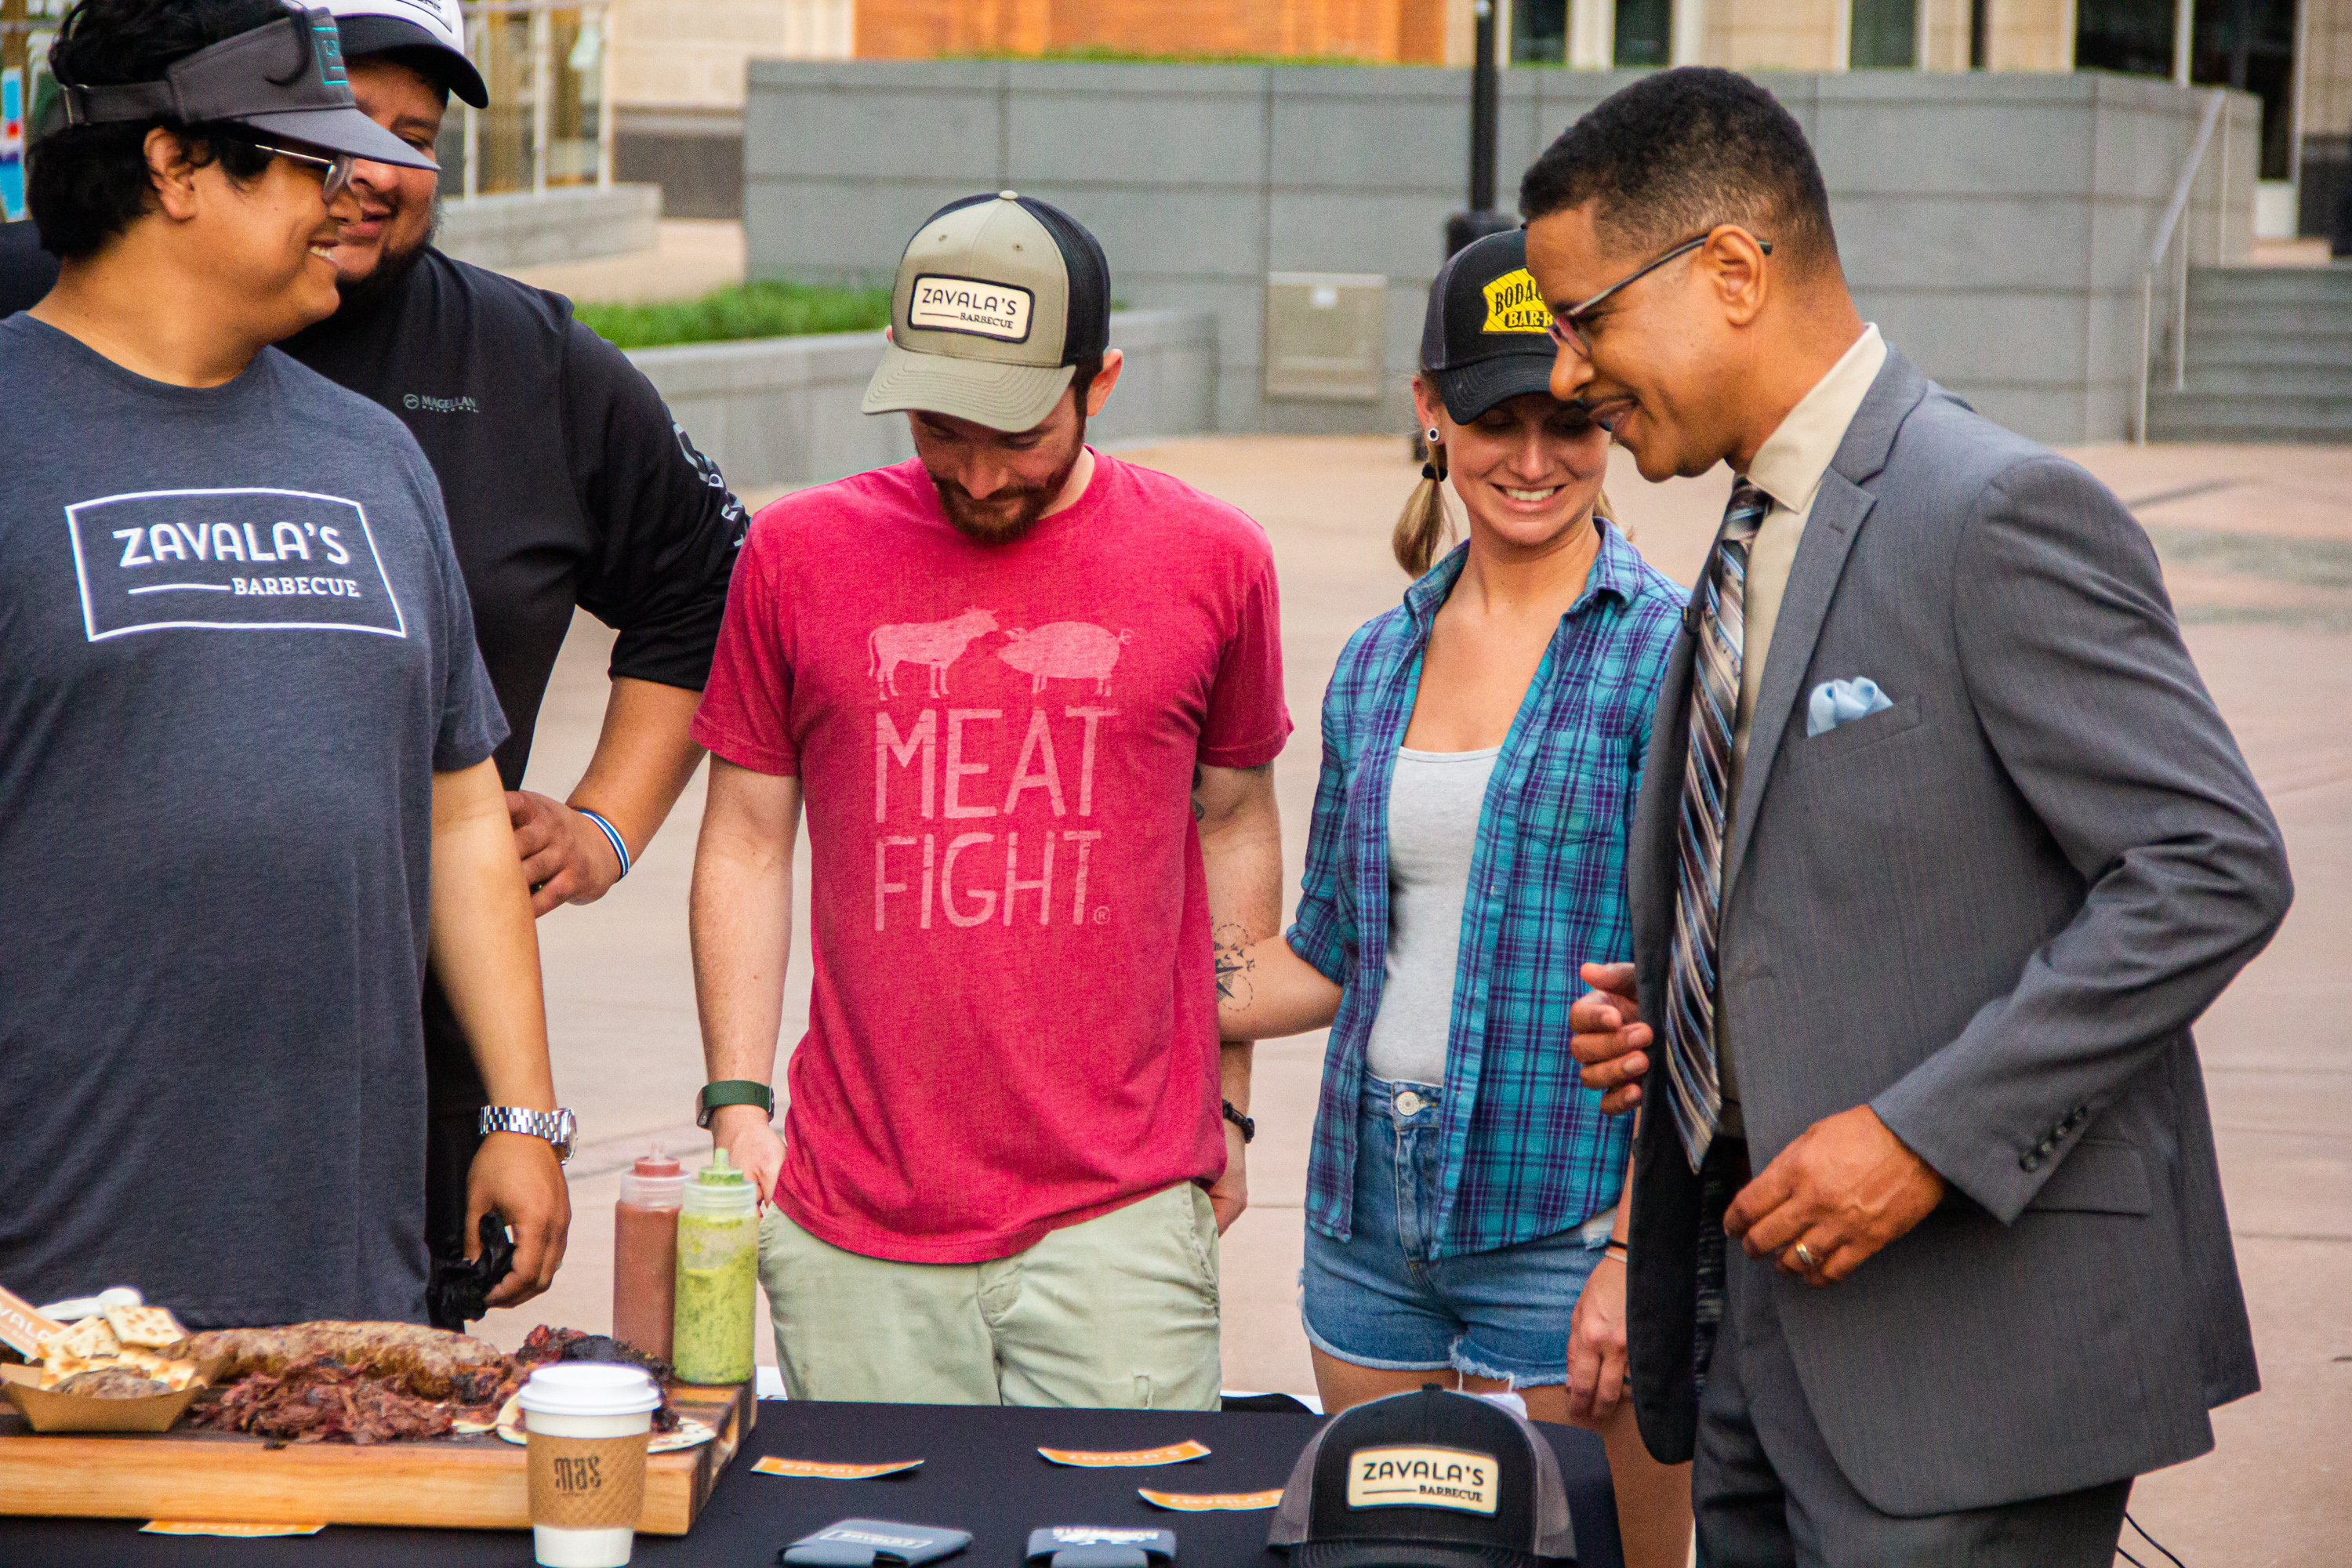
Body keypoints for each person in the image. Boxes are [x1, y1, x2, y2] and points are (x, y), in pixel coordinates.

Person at [1519, 68, 2293, 1565]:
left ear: (1732, 271)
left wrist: (1923, 1137)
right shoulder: (1749, 541)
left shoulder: (1993, 511)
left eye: (1585, 317)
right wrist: (1695, 1022)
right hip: (1755, 1342)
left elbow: (2209, 867)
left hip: (1968, 1369)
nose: (1564, 376)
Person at [1, 0, 573, 1326]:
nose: (352, 194)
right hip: (46, 1296)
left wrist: (525, 1109)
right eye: (312, 162)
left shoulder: (372, 459)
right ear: (177, 168)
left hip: (342, 1284)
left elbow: (459, 805)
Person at [688, 191, 1290, 1407]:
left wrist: (1230, 1109)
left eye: (1013, 432)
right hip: (856, 1218)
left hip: (1120, 1215)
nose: (972, 470)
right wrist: (738, 1108)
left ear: (1100, 381)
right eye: (938, 425)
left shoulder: (1215, 562)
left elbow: (1233, 822)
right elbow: (747, 838)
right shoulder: (796, 556)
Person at [1213, 230, 1692, 1568]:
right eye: (1496, 418)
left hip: (1572, 1225)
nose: (1533, 460)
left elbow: (1702, 996)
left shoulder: (1671, 652)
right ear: (1432, 414)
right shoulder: (1377, 661)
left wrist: (1630, 1257)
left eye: (1569, 419)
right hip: (1370, 1225)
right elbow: (1328, 956)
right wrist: (1132, 978)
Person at [268, 0, 745, 1321]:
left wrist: (604, 825)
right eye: (338, 127)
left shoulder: (534, 365)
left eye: (412, 139)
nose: (371, 172)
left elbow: (709, 588)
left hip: (423, 1048)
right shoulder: (61, 328)